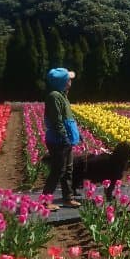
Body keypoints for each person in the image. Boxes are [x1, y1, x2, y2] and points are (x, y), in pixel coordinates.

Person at [42, 68, 82, 211]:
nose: (71, 81)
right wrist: (64, 137)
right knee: (58, 170)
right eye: (68, 79)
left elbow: (68, 118)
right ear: (63, 82)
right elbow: (56, 121)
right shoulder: (54, 97)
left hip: (66, 140)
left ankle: (68, 198)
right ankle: (45, 201)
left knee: (68, 170)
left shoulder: (63, 95)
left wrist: (77, 134)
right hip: (58, 140)